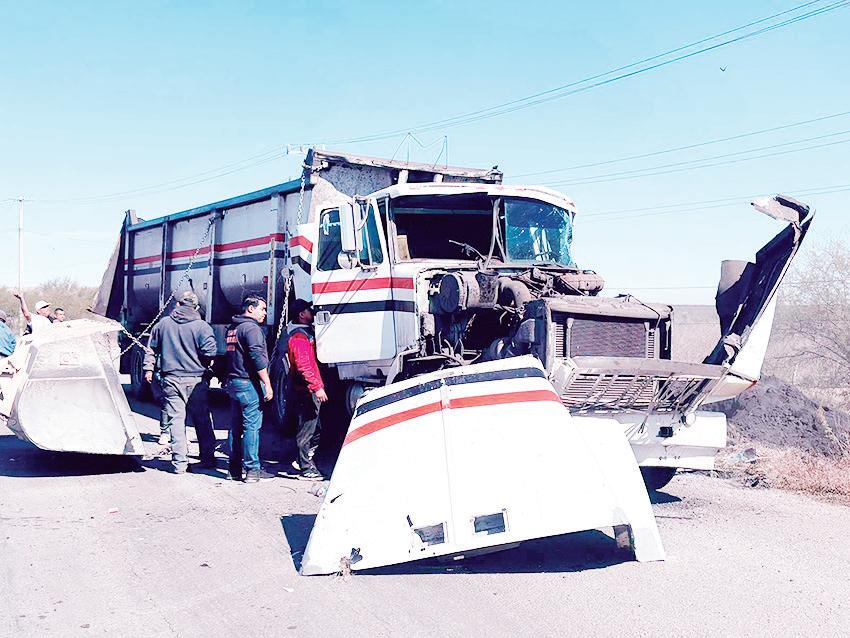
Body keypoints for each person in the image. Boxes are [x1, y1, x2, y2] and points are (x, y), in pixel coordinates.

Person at [142, 291, 218, 474]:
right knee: (202, 419)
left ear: (178, 305)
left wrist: (148, 368)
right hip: (196, 380)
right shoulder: (202, 326)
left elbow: (151, 349)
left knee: (176, 420)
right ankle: (208, 459)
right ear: (196, 307)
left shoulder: (163, 324)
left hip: (171, 379)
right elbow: (210, 352)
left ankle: (179, 463)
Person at [226, 294, 275, 483]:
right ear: (251, 308)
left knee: (235, 427)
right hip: (248, 383)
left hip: (234, 382)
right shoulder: (252, 329)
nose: (265, 313)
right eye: (262, 309)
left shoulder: (233, 327)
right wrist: (267, 384)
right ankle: (253, 470)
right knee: (251, 427)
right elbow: (257, 358)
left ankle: (233, 470)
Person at [286, 299, 328, 481]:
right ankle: (304, 467)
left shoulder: (306, 333)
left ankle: (303, 460)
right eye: (309, 310)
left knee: (315, 427)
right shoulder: (299, 337)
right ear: (302, 315)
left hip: (308, 387)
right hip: (305, 389)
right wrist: (316, 387)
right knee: (307, 428)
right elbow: (303, 365)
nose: (313, 312)